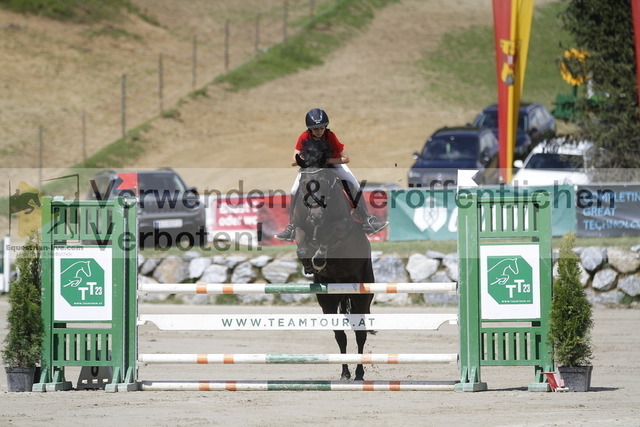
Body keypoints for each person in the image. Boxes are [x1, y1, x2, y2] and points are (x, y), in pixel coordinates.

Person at [275, 108, 388, 241]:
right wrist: (310, 160)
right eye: (315, 129)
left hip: (333, 165)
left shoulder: (330, 136)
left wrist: (327, 160)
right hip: (312, 167)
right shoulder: (304, 136)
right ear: (310, 129)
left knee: (355, 185)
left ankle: (368, 219)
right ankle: (291, 226)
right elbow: (293, 161)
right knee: (294, 190)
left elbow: (346, 158)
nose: (319, 131)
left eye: (322, 128)